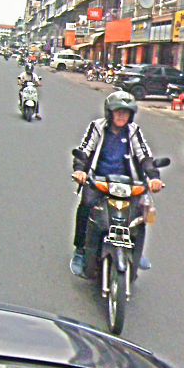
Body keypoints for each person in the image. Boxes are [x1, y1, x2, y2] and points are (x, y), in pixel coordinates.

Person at [69, 91, 163, 277]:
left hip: (128, 182)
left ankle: (136, 250)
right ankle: (80, 250)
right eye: (117, 111)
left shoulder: (133, 131)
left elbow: (144, 155)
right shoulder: (97, 127)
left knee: (140, 213)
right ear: (109, 112)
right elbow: (84, 150)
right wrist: (80, 170)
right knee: (86, 206)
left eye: (125, 112)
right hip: (99, 181)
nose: (121, 116)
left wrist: (154, 177)